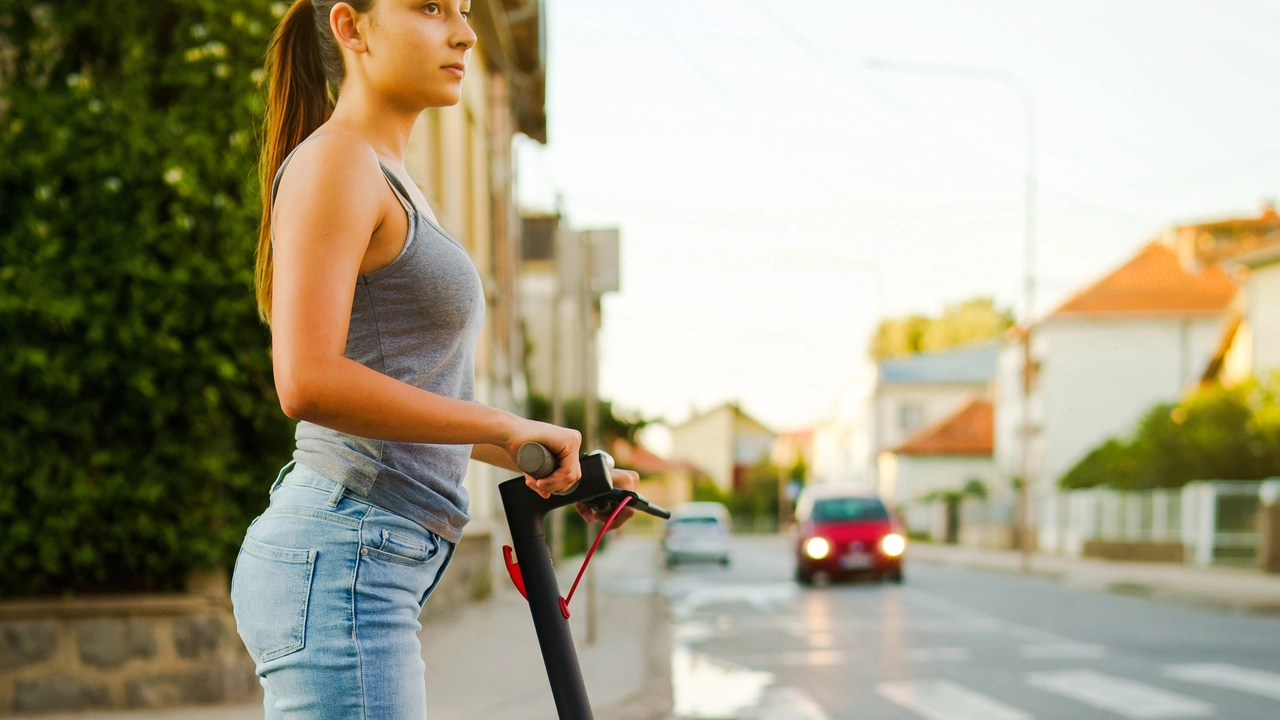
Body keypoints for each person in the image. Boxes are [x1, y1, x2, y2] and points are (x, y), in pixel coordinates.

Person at [229, 1, 639, 717]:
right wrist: (507, 426)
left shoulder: (392, 177)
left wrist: (544, 456)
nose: (465, 32)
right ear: (351, 28)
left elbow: (411, 390)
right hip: (345, 551)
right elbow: (306, 379)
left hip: (365, 555)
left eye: (465, 10)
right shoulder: (337, 161)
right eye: (429, 7)